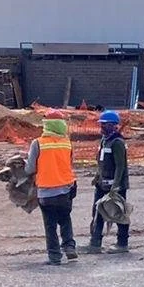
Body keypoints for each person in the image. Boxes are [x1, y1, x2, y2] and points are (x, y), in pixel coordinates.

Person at [26, 118, 79, 265]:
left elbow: (30, 168)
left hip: (46, 191)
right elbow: (70, 163)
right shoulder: (67, 142)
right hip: (66, 189)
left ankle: (55, 256)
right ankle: (69, 246)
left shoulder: (38, 143)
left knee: (50, 225)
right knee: (65, 219)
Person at [83, 110, 129, 254]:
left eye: (104, 124)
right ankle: (95, 243)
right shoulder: (105, 141)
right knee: (98, 212)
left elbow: (120, 166)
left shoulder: (117, 142)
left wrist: (115, 186)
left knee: (119, 214)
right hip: (102, 184)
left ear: (113, 126)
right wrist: (98, 175)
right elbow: (102, 161)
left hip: (115, 186)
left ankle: (122, 243)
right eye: (101, 124)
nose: (101, 127)